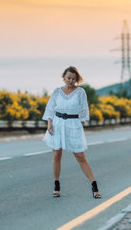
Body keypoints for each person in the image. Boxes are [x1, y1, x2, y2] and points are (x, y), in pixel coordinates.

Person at [42, 66, 101, 199]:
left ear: (77, 79)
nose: (71, 81)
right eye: (68, 78)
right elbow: (50, 108)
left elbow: (84, 110)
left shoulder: (80, 92)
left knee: (80, 156)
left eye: (73, 79)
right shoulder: (57, 91)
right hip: (57, 123)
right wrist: (49, 123)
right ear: (64, 77)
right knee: (56, 154)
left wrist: (80, 123)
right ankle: (56, 185)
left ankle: (94, 185)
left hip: (73, 124)